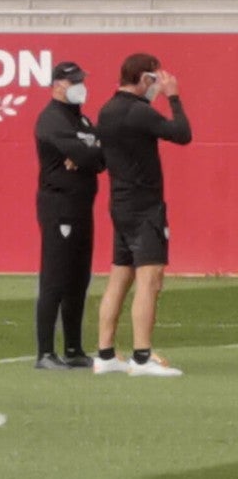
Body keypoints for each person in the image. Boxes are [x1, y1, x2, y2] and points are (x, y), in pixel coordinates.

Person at [93, 54, 192, 377]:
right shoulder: (138, 112)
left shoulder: (107, 110)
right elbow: (181, 133)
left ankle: (105, 354)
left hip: (120, 203)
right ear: (143, 78)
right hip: (145, 205)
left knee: (120, 277)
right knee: (150, 281)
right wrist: (173, 96)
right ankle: (141, 357)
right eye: (154, 79)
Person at [32, 62, 105, 371]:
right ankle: (45, 353)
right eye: (73, 81)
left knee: (78, 278)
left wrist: (87, 154)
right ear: (57, 85)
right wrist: (86, 153)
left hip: (81, 205)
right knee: (56, 278)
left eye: (81, 80)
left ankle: (74, 348)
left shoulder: (81, 118)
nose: (80, 86)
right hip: (59, 205)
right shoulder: (51, 119)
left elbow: (101, 157)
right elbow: (90, 154)